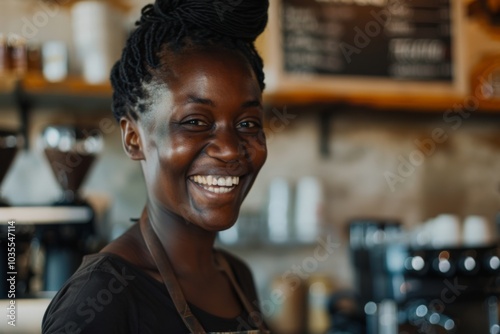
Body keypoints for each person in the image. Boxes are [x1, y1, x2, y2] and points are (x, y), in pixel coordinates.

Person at [42, 0, 270, 332]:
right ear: (134, 138)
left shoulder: (236, 276)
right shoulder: (98, 298)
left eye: (248, 124)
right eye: (195, 121)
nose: (230, 149)